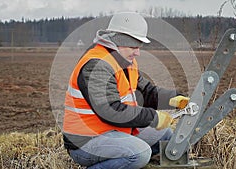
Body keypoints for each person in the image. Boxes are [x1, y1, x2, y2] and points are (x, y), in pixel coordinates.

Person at [62, 12, 190, 169]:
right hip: (86, 140)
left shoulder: (125, 62)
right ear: (117, 42)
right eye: (133, 47)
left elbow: (146, 92)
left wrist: (173, 99)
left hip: (114, 131)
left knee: (166, 136)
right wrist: (153, 117)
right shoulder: (96, 66)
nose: (138, 53)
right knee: (139, 154)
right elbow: (111, 111)